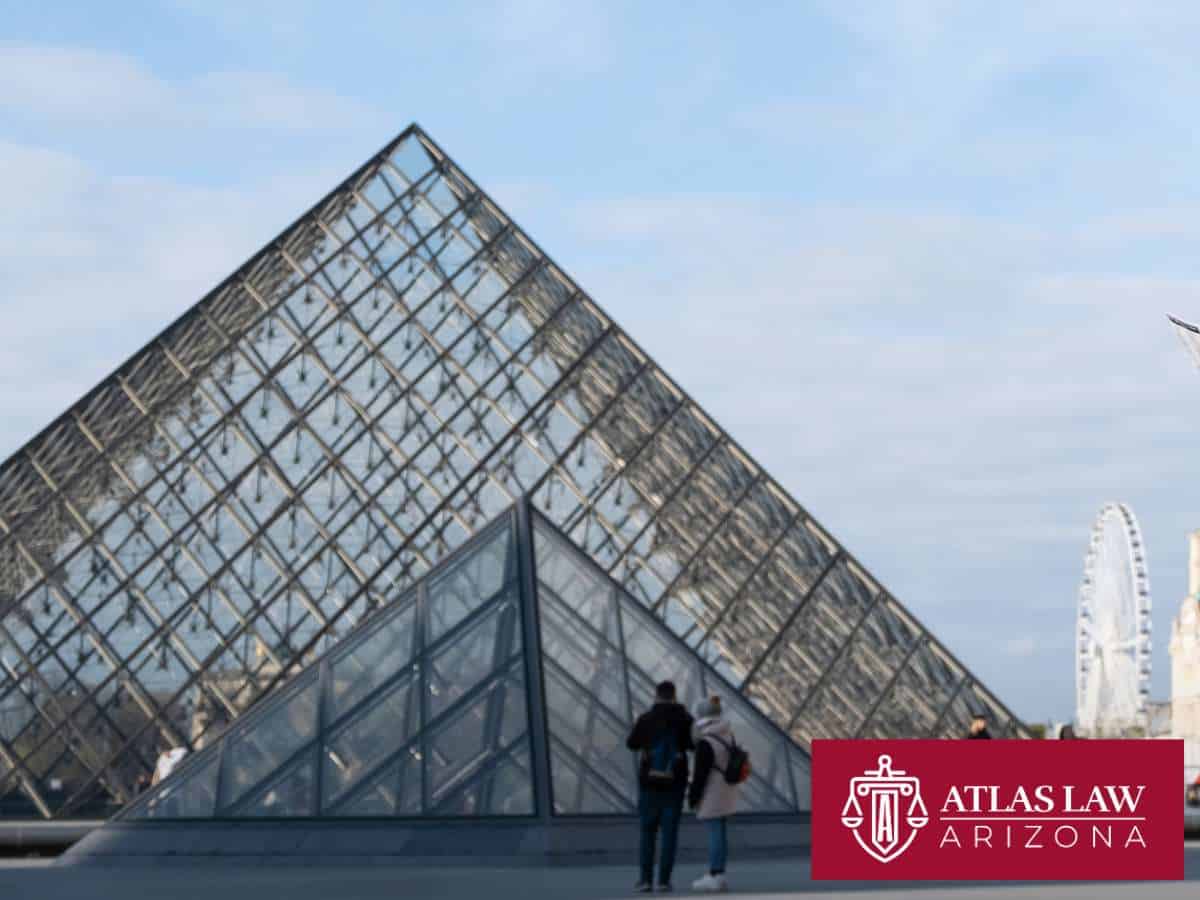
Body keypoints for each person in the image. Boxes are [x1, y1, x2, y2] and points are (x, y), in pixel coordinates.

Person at [627, 680, 694, 893]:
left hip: (650, 783)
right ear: (674, 696)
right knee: (669, 835)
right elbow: (693, 745)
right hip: (675, 784)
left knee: (647, 833)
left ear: (656, 695)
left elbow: (631, 744)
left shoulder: (646, 719)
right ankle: (664, 881)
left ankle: (645, 880)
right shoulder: (685, 719)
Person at [687, 696, 740, 893]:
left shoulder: (706, 741)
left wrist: (693, 797)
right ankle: (720, 874)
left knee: (714, 833)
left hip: (712, 791)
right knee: (720, 833)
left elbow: (700, 774)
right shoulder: (728, 734)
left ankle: (715, 874)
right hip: (727, 788)